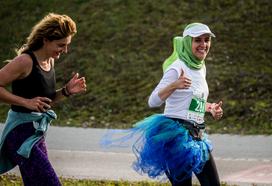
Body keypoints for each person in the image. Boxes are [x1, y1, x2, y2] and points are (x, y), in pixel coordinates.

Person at [102, 23, 223, 186]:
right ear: (188, 42)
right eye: (198, 40)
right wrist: (174, 85)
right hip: (176, 138)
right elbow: (153, 101)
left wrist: (210, 108)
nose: (203, 45)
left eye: (207, 40)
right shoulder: (177, 68)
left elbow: (191, 100)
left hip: (198, 137)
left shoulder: (201, 67)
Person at [0, 13, 86, 185]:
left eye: (67, 45)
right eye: (61, 45)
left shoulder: (49, 61)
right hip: (19, 134)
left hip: (36, 133)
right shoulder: (25, 61)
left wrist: (67, 91)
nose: (65, 50)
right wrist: (25, 102)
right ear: (46, 40)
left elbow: (45, 102)